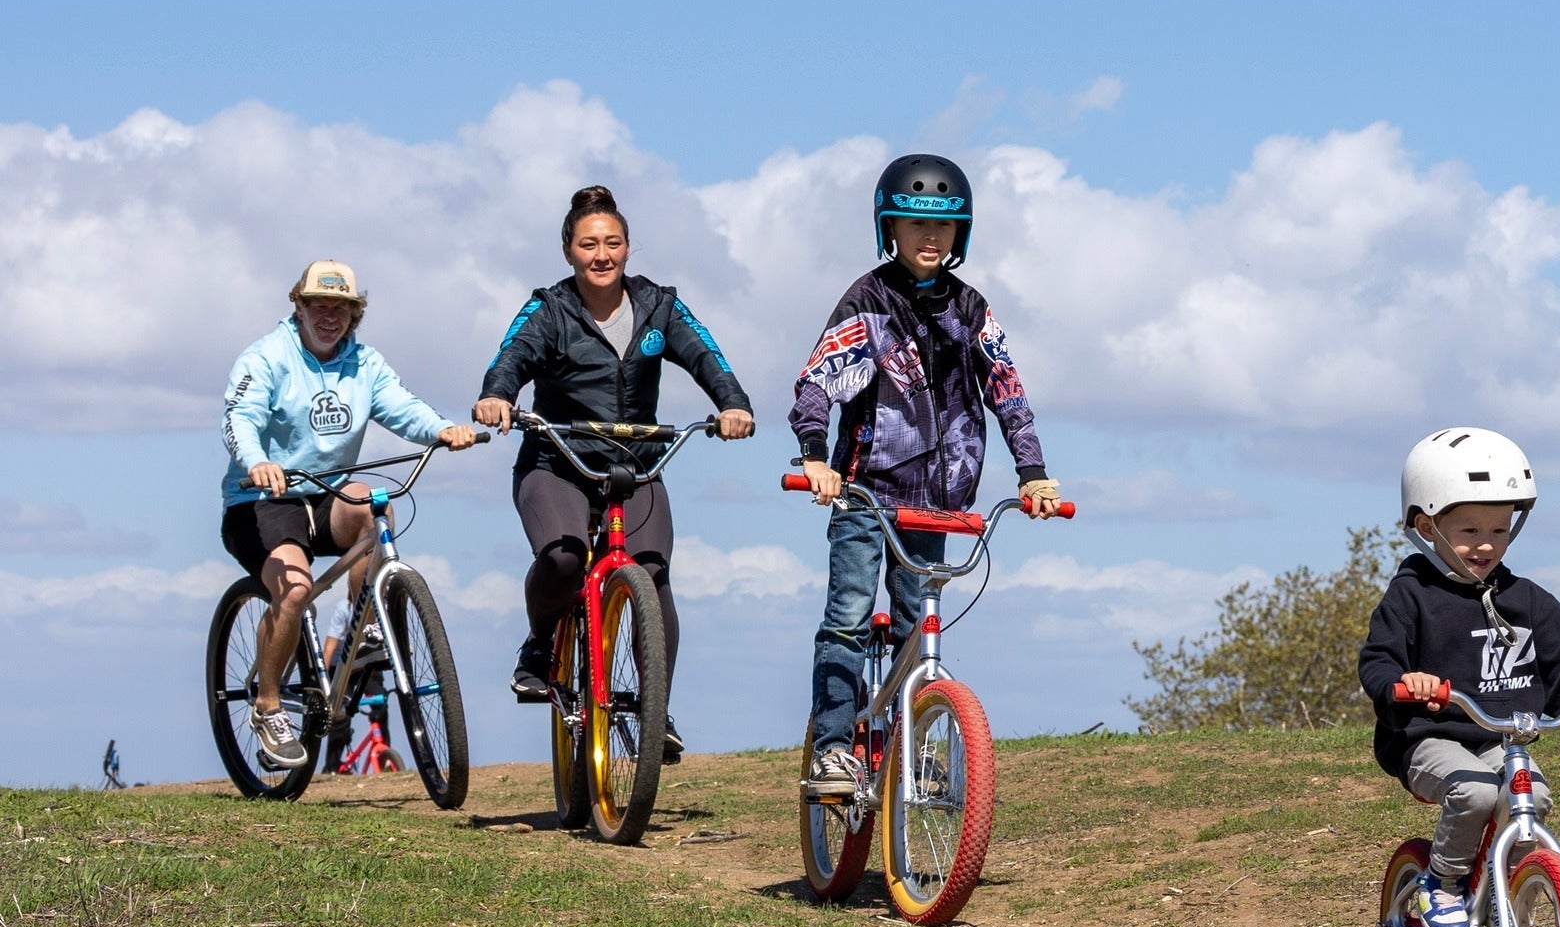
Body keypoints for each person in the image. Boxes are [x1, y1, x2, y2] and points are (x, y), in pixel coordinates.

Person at [791, 153, 1062, 794]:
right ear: (890, 227)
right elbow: (817, 383)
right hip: (865, 492)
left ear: (961, 234)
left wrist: (1034, 473)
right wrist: (814, 457)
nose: (929, 238)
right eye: (914, 224)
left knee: (919, 624)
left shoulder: (970, 309)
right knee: (849, 616)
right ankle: (832, 748)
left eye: (943, 226)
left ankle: (913, 746)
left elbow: (1007, 391)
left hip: (935, 503)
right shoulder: (868, 300)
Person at [473, 186, 754, 762]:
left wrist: (734, 404)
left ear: (628, 248)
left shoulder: (659, 307)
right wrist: (497, 397)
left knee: (652, 576)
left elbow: (708, 357)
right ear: (568, 251)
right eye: (588, 245)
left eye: (613, 244)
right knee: (564, 557)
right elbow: (511, 357)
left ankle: (655, 714)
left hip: (636, 465)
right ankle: (539, 643)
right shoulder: (549, 310)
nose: (601, 255)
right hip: (559, 463)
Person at [1357, 428, 1560, 927]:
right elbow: (1378, 661)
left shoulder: (1527, 600)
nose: (1486, 544)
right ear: (1427, 526)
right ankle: (1441, 884)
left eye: (1500, 530)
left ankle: (1504, 890)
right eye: (1467, 531)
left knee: (1532, 797)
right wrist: (1403, 683)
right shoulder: (1413, 596)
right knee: (1476, 794)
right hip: (1428, 736)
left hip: (1499, 738)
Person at [220, 260, 477, 770]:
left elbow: (403, 407)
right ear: (299, 305)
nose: (330, 316)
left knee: (370, 501)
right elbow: (238, 418)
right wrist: (258, 462)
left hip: (325, 496)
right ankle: (268, 706)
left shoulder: (364, 363)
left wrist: (443, 429)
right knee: (293, 590)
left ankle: (366, 629)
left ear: (356, 315)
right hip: (262, 500)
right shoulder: (267, 357)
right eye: (319, 305)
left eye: (342, 308)